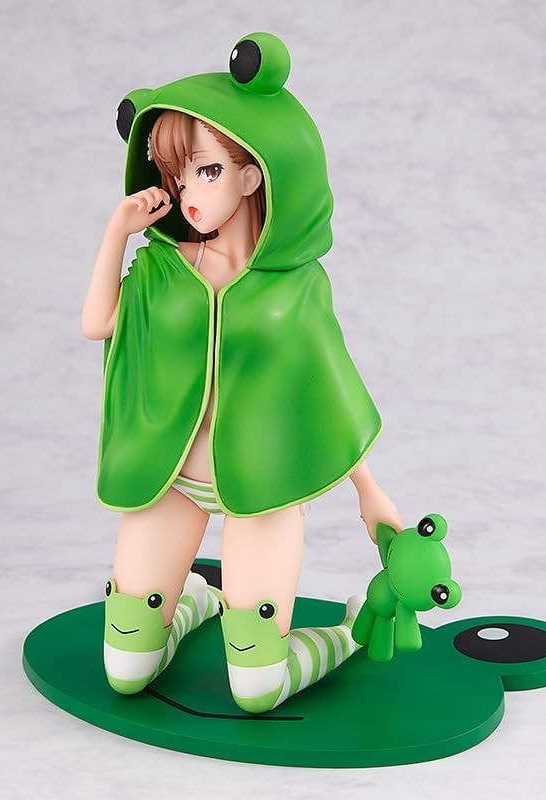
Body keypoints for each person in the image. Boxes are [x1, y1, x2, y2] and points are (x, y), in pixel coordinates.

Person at [81, 31, 404, 712]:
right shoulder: (162, 267)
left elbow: (327, 384)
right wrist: (117, 231)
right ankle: (196, 601)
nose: (186, 193)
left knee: (257, 688)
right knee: (125, 669)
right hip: (169, 480)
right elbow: (97, 323)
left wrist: (369, 492)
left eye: (205, 171)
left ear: (254, 173)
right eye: (175, 175)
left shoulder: (294, 287)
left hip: (262, 487)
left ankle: (349, 631)